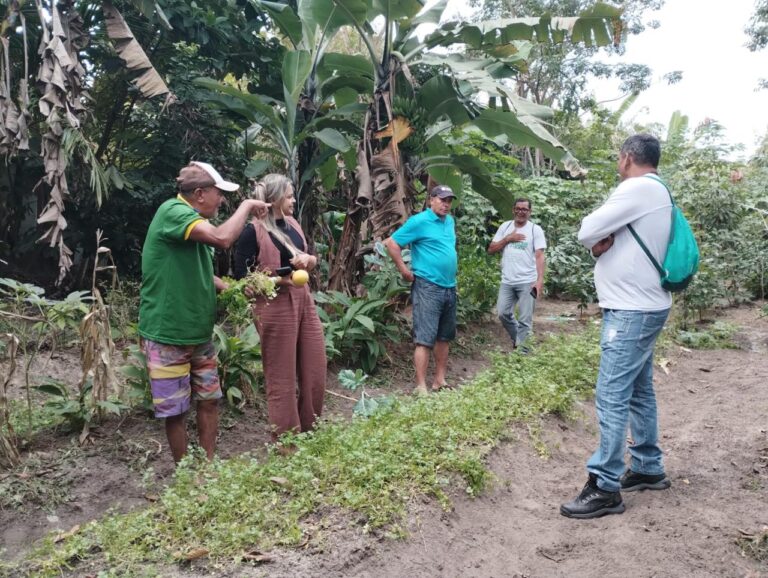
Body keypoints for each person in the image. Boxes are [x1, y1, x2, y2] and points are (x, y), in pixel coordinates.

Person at [561, 134, 673, 519]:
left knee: (610, 393)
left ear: (627, 158)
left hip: (631, 311)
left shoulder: (637, 187)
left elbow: (587, 228)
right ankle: (646, 466)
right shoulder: (657, 190)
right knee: (639, 391)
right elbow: (604, 240)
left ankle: (604, 486)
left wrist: (594, 241)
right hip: (644, 306)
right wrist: (599, 246)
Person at [138, 161, 270, 463]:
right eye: (218, 193)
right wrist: (247, 204)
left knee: (209, 400)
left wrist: (230, 288)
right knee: (176, 410)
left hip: (199, 331)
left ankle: (207, 468)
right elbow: (224, 239)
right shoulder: (174, 212)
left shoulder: (192, 221)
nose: (221, 200)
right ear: (199, 193)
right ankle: (186, 473)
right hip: (168, 331)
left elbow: (197, 271)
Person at [233, 174, 326, 442]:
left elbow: (308, 258)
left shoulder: (293, 224)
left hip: (303, 300)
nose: (293, 200)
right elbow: (242, 278)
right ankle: (286, 441)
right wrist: (277, 279)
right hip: (273, 305)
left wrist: (310, 259)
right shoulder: (253, 231)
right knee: (281, 377)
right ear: (273, 200)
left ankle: (310, 432)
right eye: (288, 196)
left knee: (315, 368)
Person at [384, 185, 458, 395]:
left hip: (449, 286)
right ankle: (421, 386)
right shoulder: (419, 221)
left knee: (444, 336)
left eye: (449, 201)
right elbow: (392, 243)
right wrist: (404, 270)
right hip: (427, 286)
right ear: (431, 200)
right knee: (424, 338)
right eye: (442, 200)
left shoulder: (449, 221)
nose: (446, 204)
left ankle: (439, 380)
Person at [487, 198, 546, 353]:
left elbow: (540, 256)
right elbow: (491, 249)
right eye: (518, 209)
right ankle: (520, 341)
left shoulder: (535, 230)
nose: (521, 212)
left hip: (527, 281)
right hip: (507, 281)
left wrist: (539, 281)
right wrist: (508, 239)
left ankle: (523, 354)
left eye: (525, 209)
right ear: (513, 210)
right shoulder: (505, 227)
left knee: (525, 320)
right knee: (503, 313)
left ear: (529, 212)